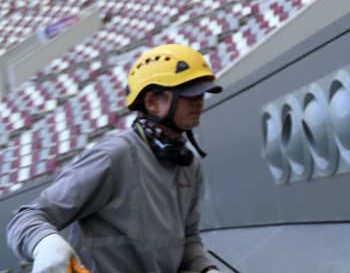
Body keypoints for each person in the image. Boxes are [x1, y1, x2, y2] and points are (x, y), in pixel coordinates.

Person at [6, 43, 224, 273]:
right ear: (151, 102)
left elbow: (188, 238)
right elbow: (27, 219)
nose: (198, 101)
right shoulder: (113, 156)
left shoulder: (190, 165)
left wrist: (205, 269)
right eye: (188, 94)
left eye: (201, 93)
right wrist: (45, 244)